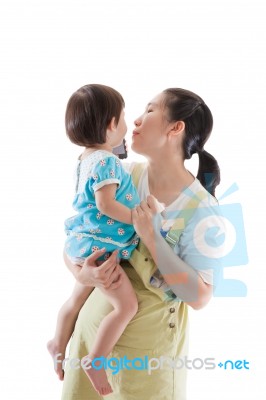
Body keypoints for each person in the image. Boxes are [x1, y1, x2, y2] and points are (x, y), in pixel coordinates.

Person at [60, 88, 222, 400]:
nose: (135, 119)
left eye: (149, 110)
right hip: (90, 343)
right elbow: (77, 238)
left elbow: (199, 298)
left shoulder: (202, 210)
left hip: (145, 362)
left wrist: (150, 235)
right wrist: (81, 274)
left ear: (176, 127)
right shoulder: (122, 175)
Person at [47, 84, 159, 396]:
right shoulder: (107, 161)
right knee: (126, 306)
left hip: (83, 244)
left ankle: (57, 341)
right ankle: (96, 359)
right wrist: (139, 218)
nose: (129, 123)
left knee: (74, 301)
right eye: (123, 117)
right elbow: (106, 205)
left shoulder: (84, 159)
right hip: (101, 250)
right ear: (111, 125)